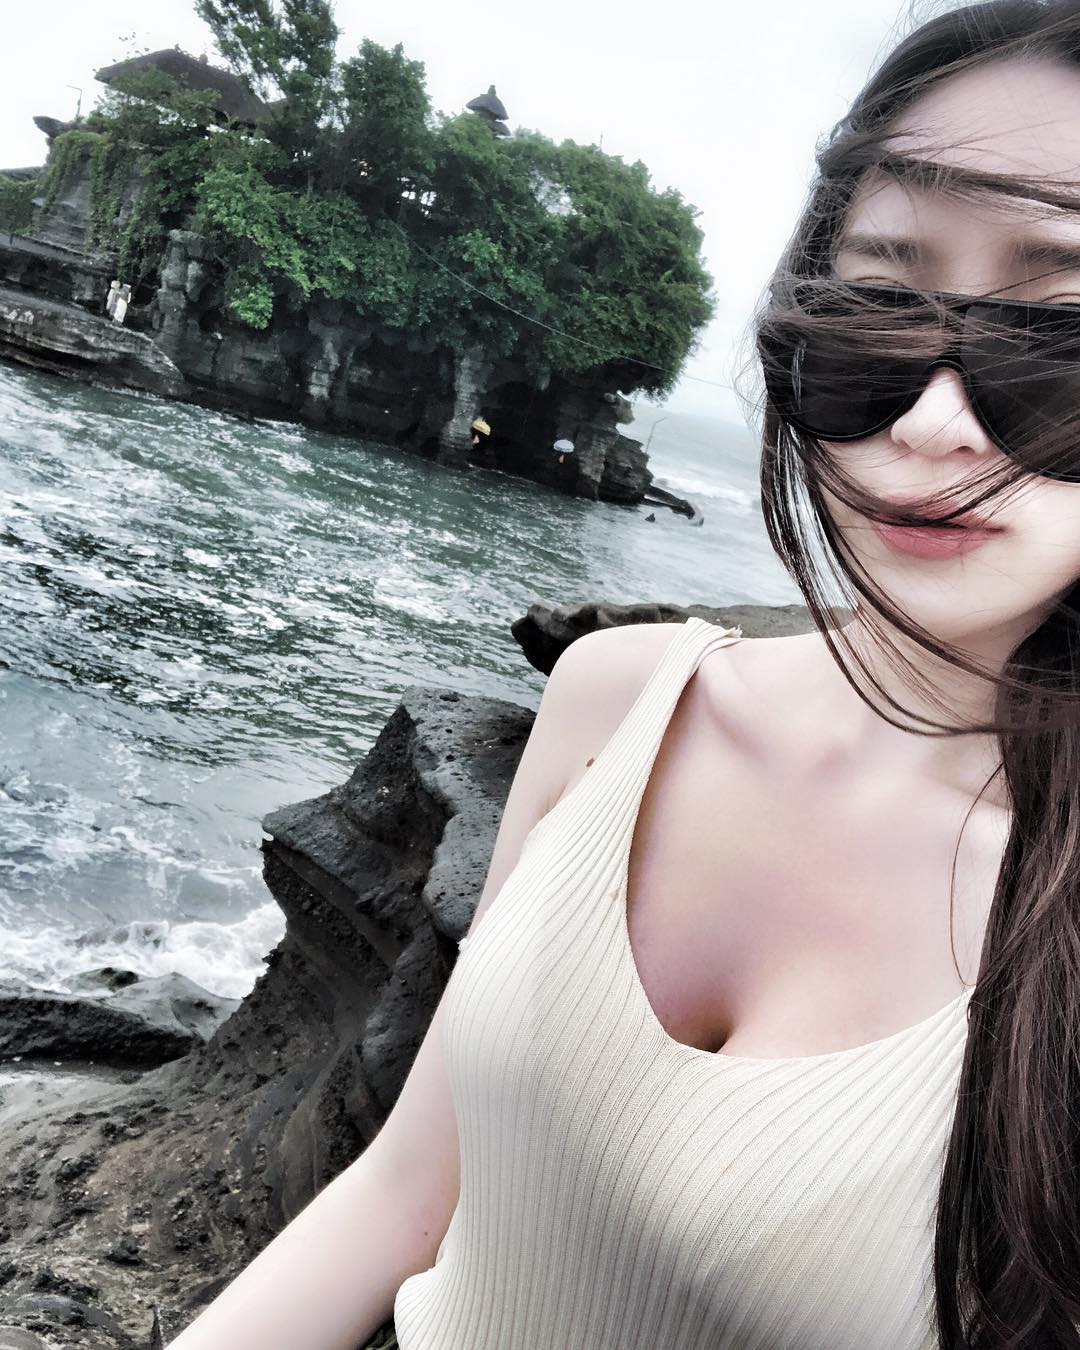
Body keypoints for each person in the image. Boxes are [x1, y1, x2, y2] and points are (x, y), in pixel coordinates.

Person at [166, 4, 1080, 1346]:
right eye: (879, 312)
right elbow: (405, 1198)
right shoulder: (619, 697)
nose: (933, 419)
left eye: (1056, 339)